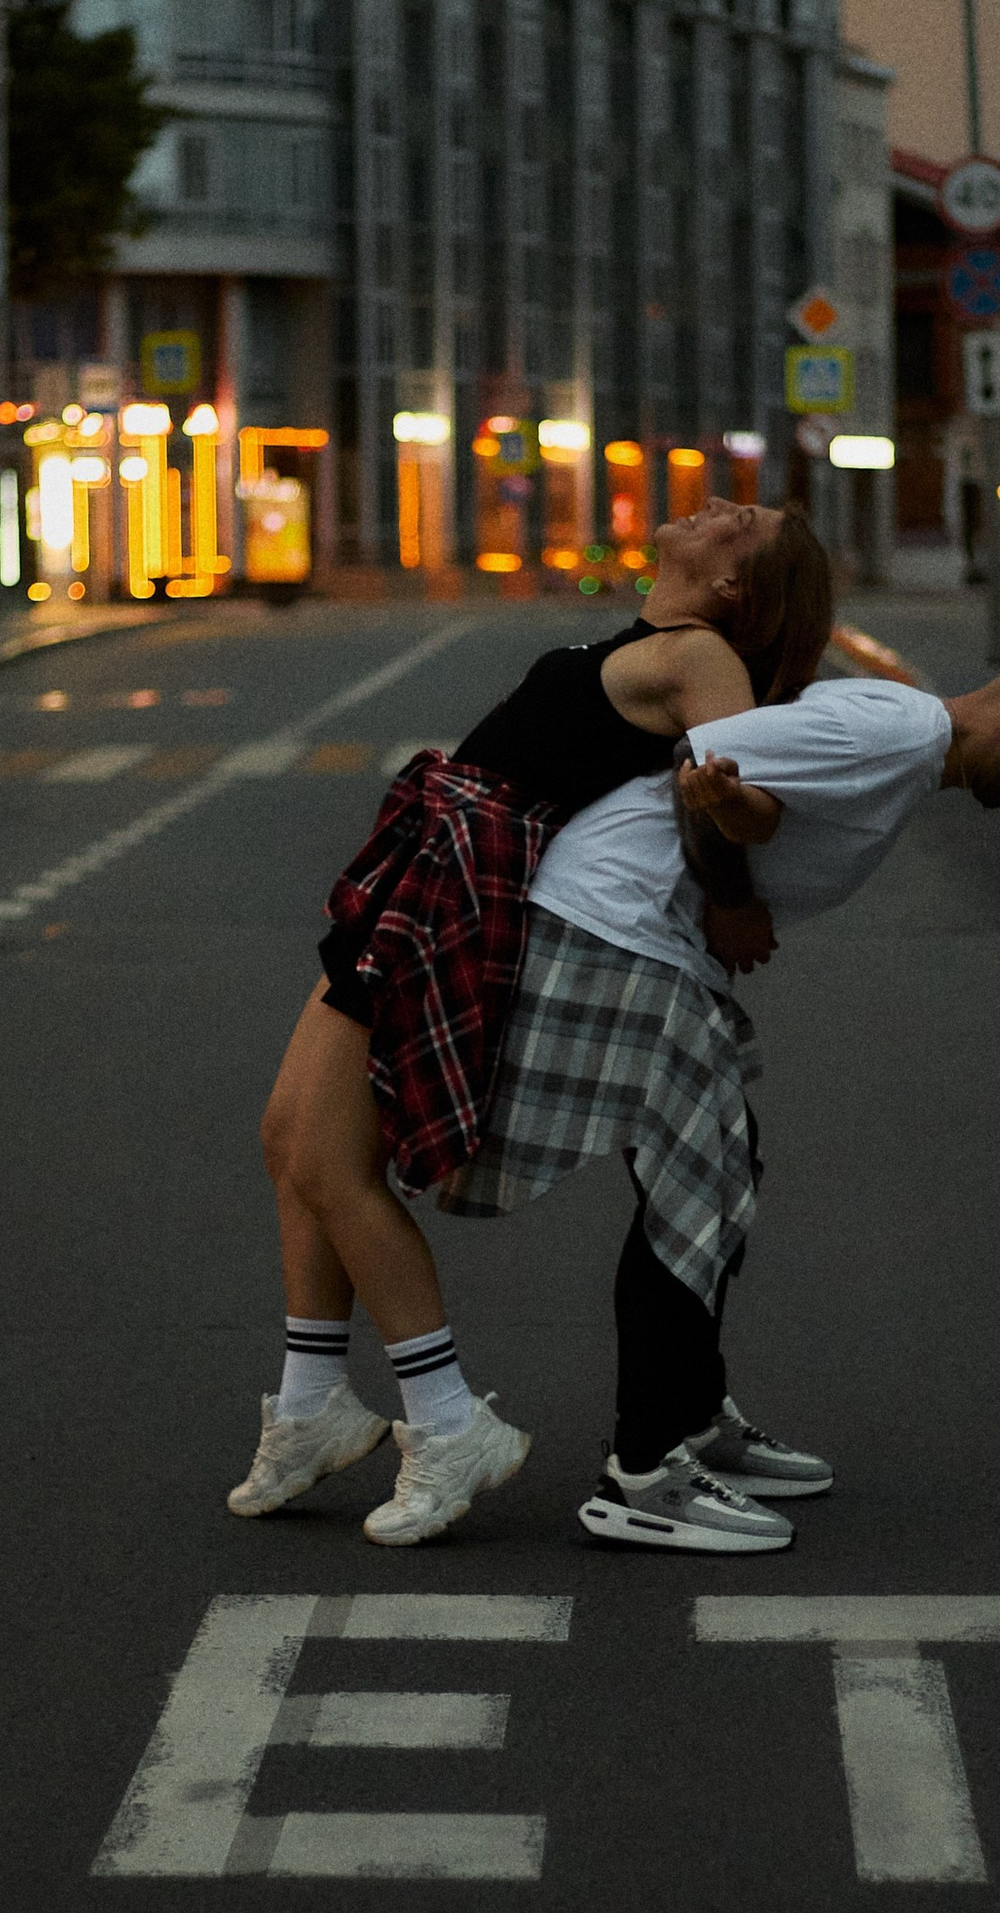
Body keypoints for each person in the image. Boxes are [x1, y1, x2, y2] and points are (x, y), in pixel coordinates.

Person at [233, 499, 836, 1546]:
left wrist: (732, 890)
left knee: (332, 1166)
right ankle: (308, 1404)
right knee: (289, 1143)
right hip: (427, 871)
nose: (717, 505)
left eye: (743, 521)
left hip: (466, 894)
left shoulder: (700, 655)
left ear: (738, 585)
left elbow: (743, 790)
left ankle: (446, 1420)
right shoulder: (647, 639)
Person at [441, 636, 1000, 1552]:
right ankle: (644, 1471)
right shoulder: (896, 728)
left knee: (722, 1172)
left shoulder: (908, 746)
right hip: (619, 922)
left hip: (637, 929)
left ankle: (687, 1416)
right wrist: (729, 897)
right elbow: (705, 767)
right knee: (697, 1192)